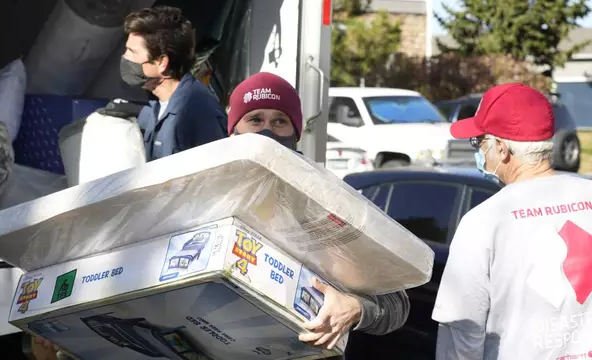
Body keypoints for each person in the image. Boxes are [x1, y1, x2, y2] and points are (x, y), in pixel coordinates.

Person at [228, 72, 410, 354]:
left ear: (296, 133)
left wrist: (356, 308)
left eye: (279, 121)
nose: (267, 132)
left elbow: (397, 304)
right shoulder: (209, 188)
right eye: (255, 120)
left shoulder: (329, 200)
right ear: (233, 130)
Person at [432, 83, 592, 359]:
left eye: (479, 142)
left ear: (502, 149)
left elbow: (462, 331)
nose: (479, 151)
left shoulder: (484, 221)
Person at [120, 5, 227, 160]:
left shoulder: (199, 113)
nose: (125, 57)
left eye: (133, 52)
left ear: (162, 62)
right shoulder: (152, 106)